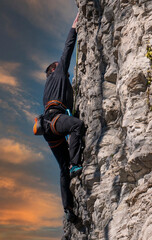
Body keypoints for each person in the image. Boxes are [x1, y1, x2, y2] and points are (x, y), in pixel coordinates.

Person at [42, 12, 84, 223]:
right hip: (56, 121)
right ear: (54, 70)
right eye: (60, 69)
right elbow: (67, 49)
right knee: (77, 125)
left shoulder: (48, 87)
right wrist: (74, 26)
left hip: (48, 128)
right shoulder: (58, 74)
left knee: (62, 167)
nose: (65, 72)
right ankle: (76, 165)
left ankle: (68, 208)